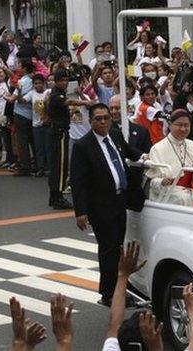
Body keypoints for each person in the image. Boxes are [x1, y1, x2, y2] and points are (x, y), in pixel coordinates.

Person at [70, 103, 144, 307]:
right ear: (90, 121)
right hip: (100, 205)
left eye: (106, 118)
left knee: (118, 245)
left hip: (120, 200)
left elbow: (129, 151)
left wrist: (145, 157)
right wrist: (81, 212)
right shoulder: (83, 146)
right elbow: (78, 181)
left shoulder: (115, 135)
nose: (103, 122)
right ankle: (109, 292)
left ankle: (120, 286)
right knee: (108, 248)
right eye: (98, 119)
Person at [146, 109, 193, 209]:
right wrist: (162, 182)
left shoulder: (192, 144)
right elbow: (153, 181)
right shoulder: (157, 148)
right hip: (171, 192)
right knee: (184, 198)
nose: (183, 129)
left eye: (186, 125)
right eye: (179, 125)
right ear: (170, 125)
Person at [47, 70, 85, 209]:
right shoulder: (57, 94)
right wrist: (86, 102)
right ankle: (58, 197)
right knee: (60, 166)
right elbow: (69, 101)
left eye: (66, 80)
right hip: (59, 133)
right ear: (56, 81)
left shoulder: (58, 93)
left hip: (59, 132)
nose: (64, 83)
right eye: (61, 80)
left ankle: (54, 196)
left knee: (58, 165)